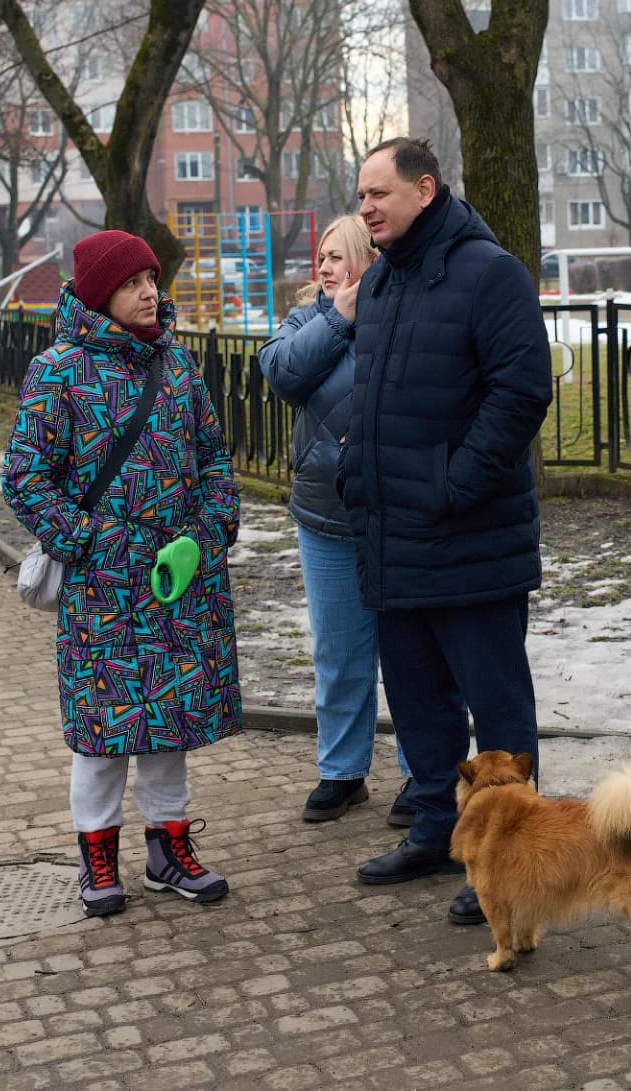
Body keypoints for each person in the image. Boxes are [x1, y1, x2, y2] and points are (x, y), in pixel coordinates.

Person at [339, 137, 553, 927]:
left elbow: (522, 389)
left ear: (424, 189)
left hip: (468, 537)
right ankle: (436, 827)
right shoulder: (385, 282)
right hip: (393, 538)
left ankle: (505, 856)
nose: (365, 208)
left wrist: (455, 484)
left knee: (497, 711)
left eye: (376, 193)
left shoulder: (489, 272)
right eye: (360, 195)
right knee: (421, 703)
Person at [3, 229, 241, 918]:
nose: (149, 292)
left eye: (152, 279)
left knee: (170, 725)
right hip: (102, 593)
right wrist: (89, 541)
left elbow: (214, 462)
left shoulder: (180, 367)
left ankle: (169, 850)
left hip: (176, 586)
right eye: (134, 281)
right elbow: (25, 478)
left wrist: (205, 536)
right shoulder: (57, 372)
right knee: (103, 734)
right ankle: (97, 860)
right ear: (100, 291)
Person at [258, 215, 413, 825]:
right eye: (320, 256)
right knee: (339, 652)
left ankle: (420, 773)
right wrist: (338, 316)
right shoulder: (307, 321)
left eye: (338, 256)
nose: (323, 267)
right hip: (324, 515)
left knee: (408, 651)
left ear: (368, 262)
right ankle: (342, 772)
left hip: (396, 513)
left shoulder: (402, 314)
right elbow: (282, 374)